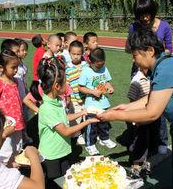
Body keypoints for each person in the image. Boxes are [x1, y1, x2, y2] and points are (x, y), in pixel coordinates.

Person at [98, 29, 173, 189]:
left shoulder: (166, 69)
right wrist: (127, 106)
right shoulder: (163, 63)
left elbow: (152, 113)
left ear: (150, 51)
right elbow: (154, 97)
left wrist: (115, 115)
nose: (134, 61)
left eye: (135, 56)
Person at [37, 57, 99, 188]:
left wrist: (83, 113)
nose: (68, 85)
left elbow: (64, 118)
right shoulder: (47, 108)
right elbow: (65, 130)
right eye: (66, 82)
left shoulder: (58, 101)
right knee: (52, 183)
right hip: (51, 154)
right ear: (57, 86)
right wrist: (87, 123)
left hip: (62, 150)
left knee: (65, 180)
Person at [125, 0, 173, 154]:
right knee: (137, 104)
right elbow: (128, 48)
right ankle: (137, 143)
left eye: (147, 14)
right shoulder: (134, 26)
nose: (144, 18)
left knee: (158, 106)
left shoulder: (164, 27)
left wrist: (156, 54)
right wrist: (136, 47)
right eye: (140, 15)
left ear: (153, 11)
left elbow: (170, 49)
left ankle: (160, 142)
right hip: (138, 70)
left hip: (158, 69)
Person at [79, 47, 116, 155]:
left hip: (103, 103)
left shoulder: (104, 68)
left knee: (104, 123)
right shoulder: (86, 71)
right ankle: (90, 144)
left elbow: (107, 82)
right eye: (97, 65)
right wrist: (92, 92)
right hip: (91, 104)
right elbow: (80, 87)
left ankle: (105, 138)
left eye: (101, 64)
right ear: (91, 62)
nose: (99, 67)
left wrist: (110, 88)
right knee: (92, 125)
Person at [0, 49, 25, 165]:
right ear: (1, 68)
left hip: (17, 122)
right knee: (6, 148)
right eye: (13, 67)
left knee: (17, 146)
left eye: (17, 67)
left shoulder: (15, 80)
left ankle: (14, 164)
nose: (16, 70)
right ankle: (5, 167)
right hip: (6, 125)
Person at [66, 40, 88, 145]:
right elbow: (67, 84)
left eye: (78, 54)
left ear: (82, 54)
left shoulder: (86, 66)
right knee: (76, 118)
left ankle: (91, 133)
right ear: (69, 53)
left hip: (86, 97)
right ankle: (77, 134)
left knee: (88, 115)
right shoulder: (68, 68)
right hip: (74, 99)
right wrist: (68, 97)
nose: (76, 56)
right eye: (73, 54)